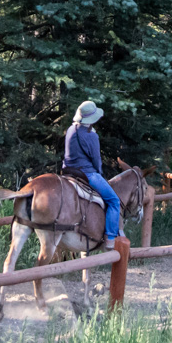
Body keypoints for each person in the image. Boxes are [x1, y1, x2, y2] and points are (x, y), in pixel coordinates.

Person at [62, 100, 120, 249]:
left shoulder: (70, 129)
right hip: (86, 173)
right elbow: (96, 160)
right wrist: (100, 174)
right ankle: (111, 238)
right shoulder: (92, 136)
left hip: (67, 171)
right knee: (114, 201)